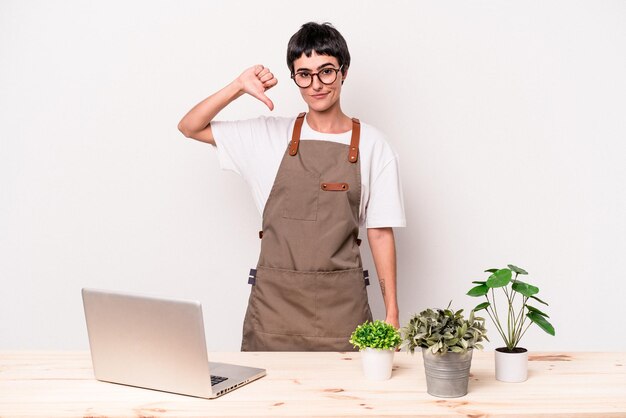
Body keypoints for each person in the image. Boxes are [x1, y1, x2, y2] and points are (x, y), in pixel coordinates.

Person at [178, 22, 405, 351]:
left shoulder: (374, 145)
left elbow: (381, 233)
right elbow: (189, 126)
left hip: (342, 313)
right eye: (304, 74)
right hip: (274, 313)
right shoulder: (268, 136)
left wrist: (392, 314)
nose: (316, 85)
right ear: (295, 78)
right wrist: (239, 86)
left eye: (326, 71)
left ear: (344, 72)